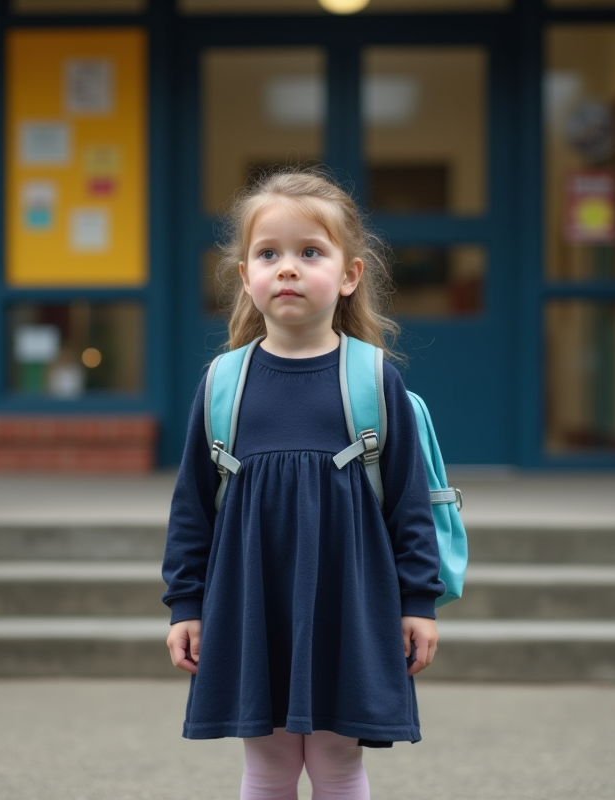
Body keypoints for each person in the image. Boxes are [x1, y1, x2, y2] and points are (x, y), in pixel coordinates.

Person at [161, 167, 445, 800]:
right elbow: (191, 509)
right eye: (269, 254)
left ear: (348, 276)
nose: (286, 268)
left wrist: (417, 602)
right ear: (245, 277)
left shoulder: (373, 380)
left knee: (339, 764)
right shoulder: (222, 384)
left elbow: (408, 503)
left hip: (350, 603)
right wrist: (186, 604)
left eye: (309, 252)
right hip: (250, 604)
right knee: (266, 767)